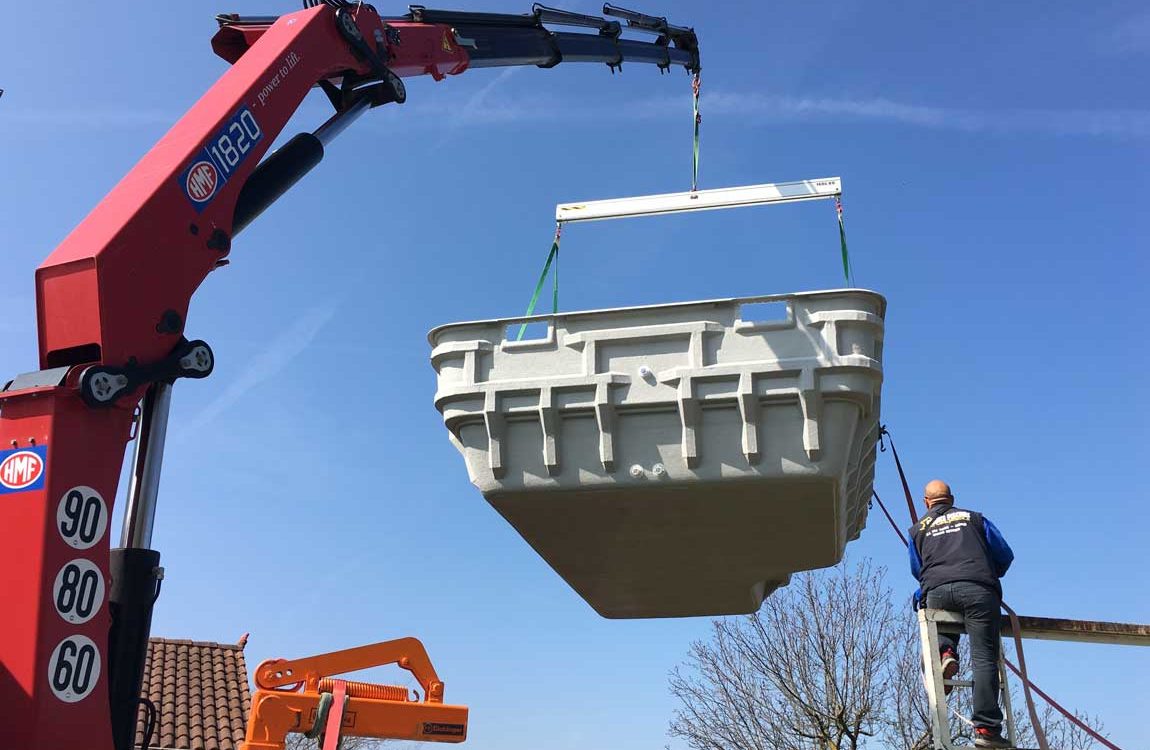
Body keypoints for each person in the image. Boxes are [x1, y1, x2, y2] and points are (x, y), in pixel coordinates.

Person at [909, 479, 1015, 749]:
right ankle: (986, 729)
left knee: (942, 626)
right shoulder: (975, 519)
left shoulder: (917, 530)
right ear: (952, 499)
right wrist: (989, 572)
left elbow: (917, 569)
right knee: (983, 659)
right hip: (978, 590)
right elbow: (1004, 554)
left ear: (926, 503)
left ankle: (945, 652)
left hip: (938, 591)